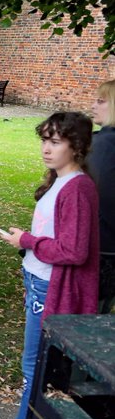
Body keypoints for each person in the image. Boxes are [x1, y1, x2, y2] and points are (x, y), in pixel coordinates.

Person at [0, 112, 99, 419]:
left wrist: (27, 241)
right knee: (33, 363)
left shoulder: (76, 188)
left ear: (76, 146)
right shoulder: (60, 181)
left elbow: (74, 250)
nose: (46, 148)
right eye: (44, 140)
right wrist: (27, 241)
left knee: (36, 366)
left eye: (55, 141)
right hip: (39, 280)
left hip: (51, 286)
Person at [89, 79, 115, 314]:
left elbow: (98, 196)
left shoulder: (104, 145)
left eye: (101, 101)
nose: (93, 105)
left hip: (100, 246)